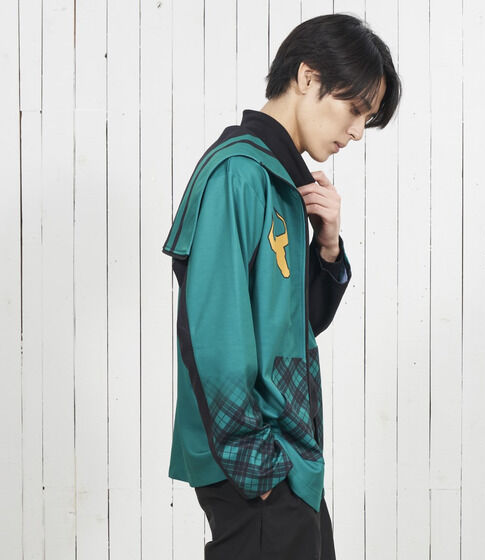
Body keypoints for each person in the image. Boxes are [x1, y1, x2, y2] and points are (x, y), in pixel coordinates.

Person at [162, 12, 401, 560]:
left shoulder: (284, 183)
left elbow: (296, 325)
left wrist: (328, 245)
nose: (357, 132)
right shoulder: (238, 174)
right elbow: (213, 335)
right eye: (355, 109)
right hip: (256, 465)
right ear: (308, 77)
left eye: (367, 118)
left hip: (289, 459)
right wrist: (259, 469)